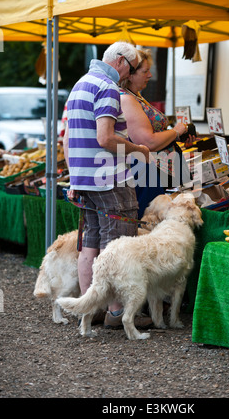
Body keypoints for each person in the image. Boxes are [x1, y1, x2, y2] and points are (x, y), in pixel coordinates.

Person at [63, 41, 152, 329]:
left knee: (90, 244)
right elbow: (105, 138)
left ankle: (92, 310)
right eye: (134, 66)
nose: (133, 73)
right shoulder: (108, 87)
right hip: (110, 179)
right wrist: (138, 148)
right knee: (118, 247)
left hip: (85, 179)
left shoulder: (80, 84)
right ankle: (116, 313)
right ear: (122, 62)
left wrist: (74, 177)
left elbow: (67, 138)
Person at [119, 48, 195, 218]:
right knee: (148, 223)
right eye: (145, 71)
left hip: (153, 171)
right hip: (145, 174)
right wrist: (175, 132)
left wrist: (176, 135)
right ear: (130, 75)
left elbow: (153, 134)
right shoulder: (127, 100)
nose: (150, 75)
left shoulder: (136, 96)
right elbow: (147, 142)